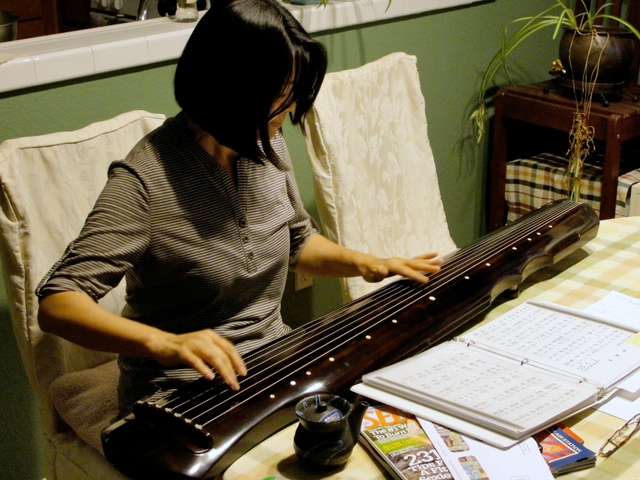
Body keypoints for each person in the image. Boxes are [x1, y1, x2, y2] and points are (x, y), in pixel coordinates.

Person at [37, 0, 443, 417]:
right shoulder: (144, 180)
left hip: (272, 365)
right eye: (279, 97)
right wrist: (165, 344)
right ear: (231, 88)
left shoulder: (264, 144)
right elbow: (57, 303)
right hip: (179, 396)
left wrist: (369, 264)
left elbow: (297, 243)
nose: (287, 111)